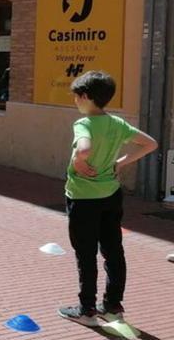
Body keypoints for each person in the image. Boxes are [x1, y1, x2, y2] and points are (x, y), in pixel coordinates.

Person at [57, 71, 157, 326]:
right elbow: (150, 144)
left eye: (76, 97)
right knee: (113, 251)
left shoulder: (84, 124)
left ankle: (87, 310)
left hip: (82, 199)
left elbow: (85, 147)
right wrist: (121, 162)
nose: (75, 102)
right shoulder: (116, 123)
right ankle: (113, 307)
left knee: (86, 254)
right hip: (111, 196)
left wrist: (79, 160)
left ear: (86, 97)